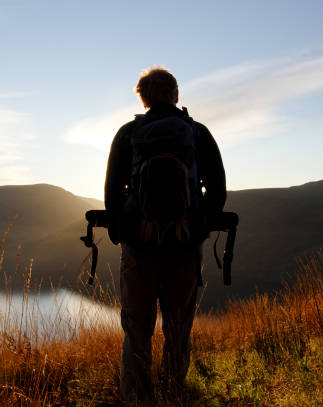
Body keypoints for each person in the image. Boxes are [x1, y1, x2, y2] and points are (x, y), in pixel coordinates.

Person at [104, 66, 226, 403]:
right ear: (176, 94)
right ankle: (174, 394)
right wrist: (196, 230)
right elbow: (217, 191)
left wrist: (126, 235)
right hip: (184, 248)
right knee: (178, 328)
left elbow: (112, 193)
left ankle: (138, 398)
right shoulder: (197, 133)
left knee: (137, 331)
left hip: (139, 250)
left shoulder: (128, 134)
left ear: (142, 98)